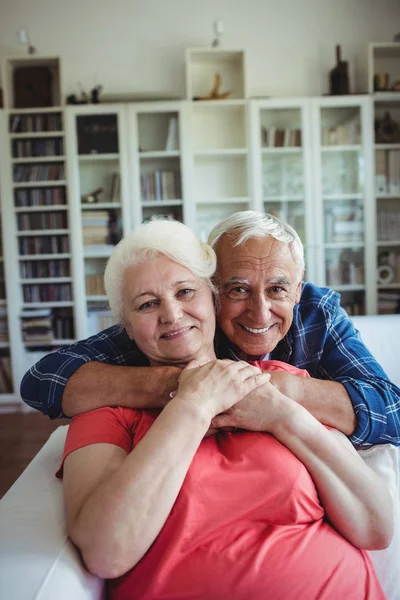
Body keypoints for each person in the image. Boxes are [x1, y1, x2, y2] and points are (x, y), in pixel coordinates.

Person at [58, 219, 392, 599]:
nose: (171, 313)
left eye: (185, 292)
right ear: (127, 328)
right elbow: (106, 552)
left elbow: (377, 527)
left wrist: (282, 415)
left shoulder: (284, 382)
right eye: (148, 304)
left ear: (210, 299)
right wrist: (193, 403)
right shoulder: (106, 409)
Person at [21, 211, 400, 446]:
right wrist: (188, 384)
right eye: (238, 289)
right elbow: (43, 379)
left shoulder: (318, 312)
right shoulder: (184, 325)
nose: (259, 311)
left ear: (298, 290)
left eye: (277, 289)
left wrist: (277, 389)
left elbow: (393, 409)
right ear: (212, 288)